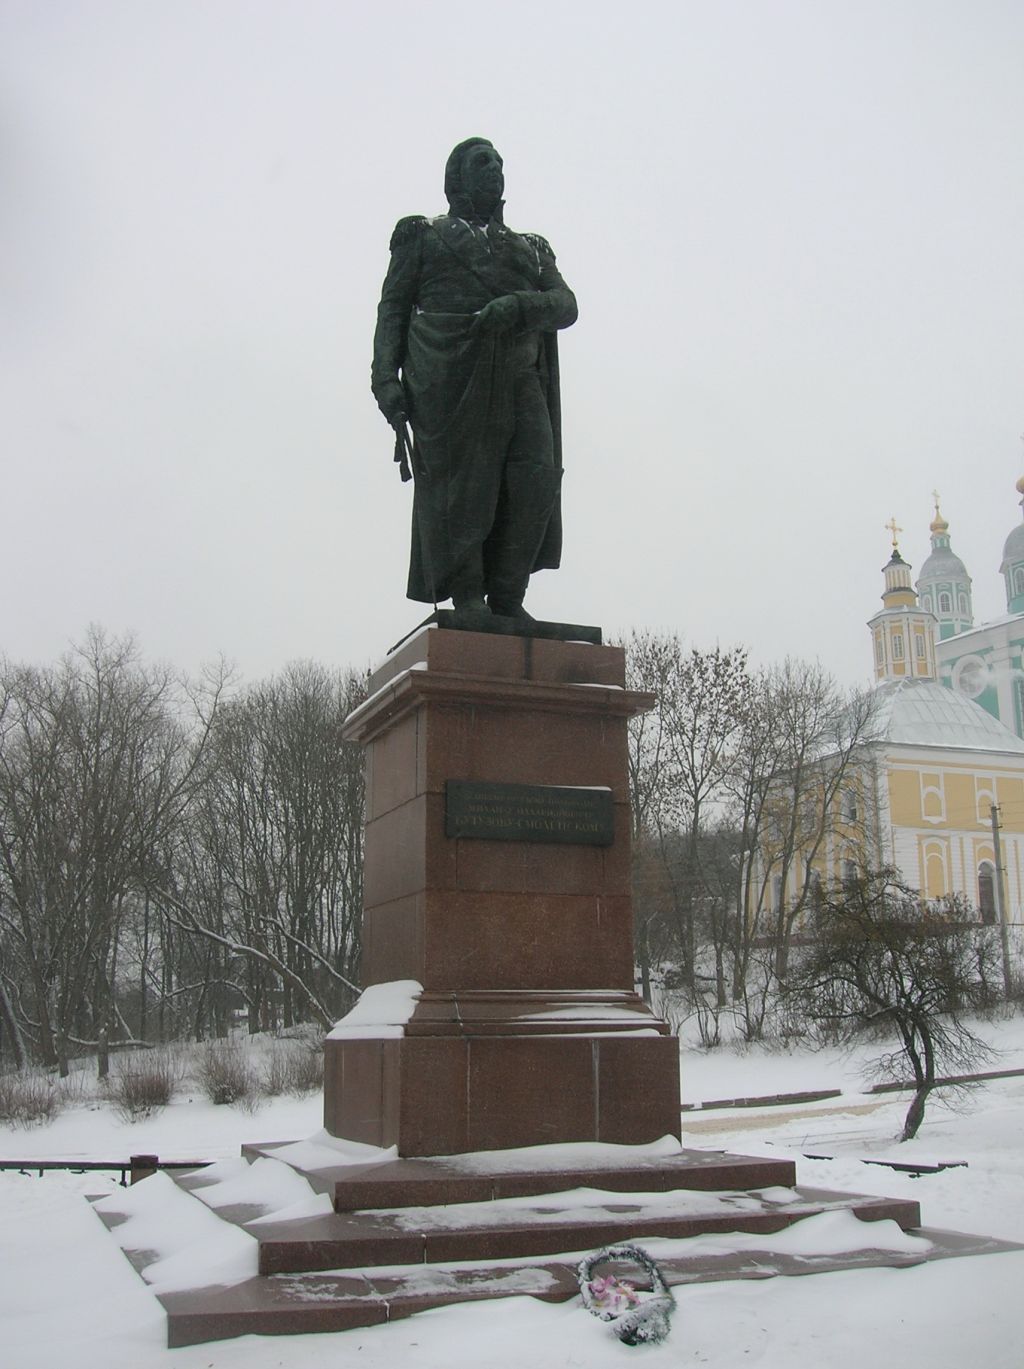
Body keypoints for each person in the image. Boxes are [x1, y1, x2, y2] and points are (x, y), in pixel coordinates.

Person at [371, 138, 577, 624]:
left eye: (500, 162)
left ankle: (507, 593)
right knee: (466, 486)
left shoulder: (531, 248)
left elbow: (566, 305)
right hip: (449, 376)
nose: (495, 169)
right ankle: (468, 595)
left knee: (536, 477)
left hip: (518, 375)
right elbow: (393, 308)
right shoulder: (424, 236)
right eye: (483, 162)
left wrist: (519, 306)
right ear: (456, 177)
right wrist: (385, 379)